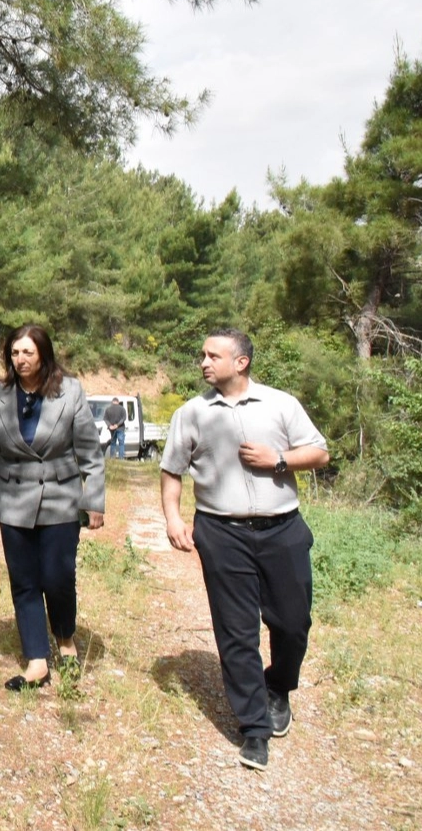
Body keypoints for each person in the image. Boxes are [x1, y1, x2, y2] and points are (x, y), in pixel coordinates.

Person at [160, 329, 329, 771]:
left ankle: (279, 686)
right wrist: (173, 518)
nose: (203, 362)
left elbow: (319, 453)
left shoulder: (280, 404)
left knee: (293, 623)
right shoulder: (191, 413)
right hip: (222, 533)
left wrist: (279, 459)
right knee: (236, 631)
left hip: (283, 529)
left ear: (241, 362)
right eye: (202, 355)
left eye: (213, 355)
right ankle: (254, 728)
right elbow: (171, 470)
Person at [0, 325, 105, 690]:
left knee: (57, 577)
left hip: (61, 498)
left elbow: (90, 451)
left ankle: (65, 639)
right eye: (15, 353)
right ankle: (36, 661)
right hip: (13, 499)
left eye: (27, 352)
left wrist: (94, 499)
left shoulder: (70, 391)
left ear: (43, 354)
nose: (20, 360)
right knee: (24, 580)